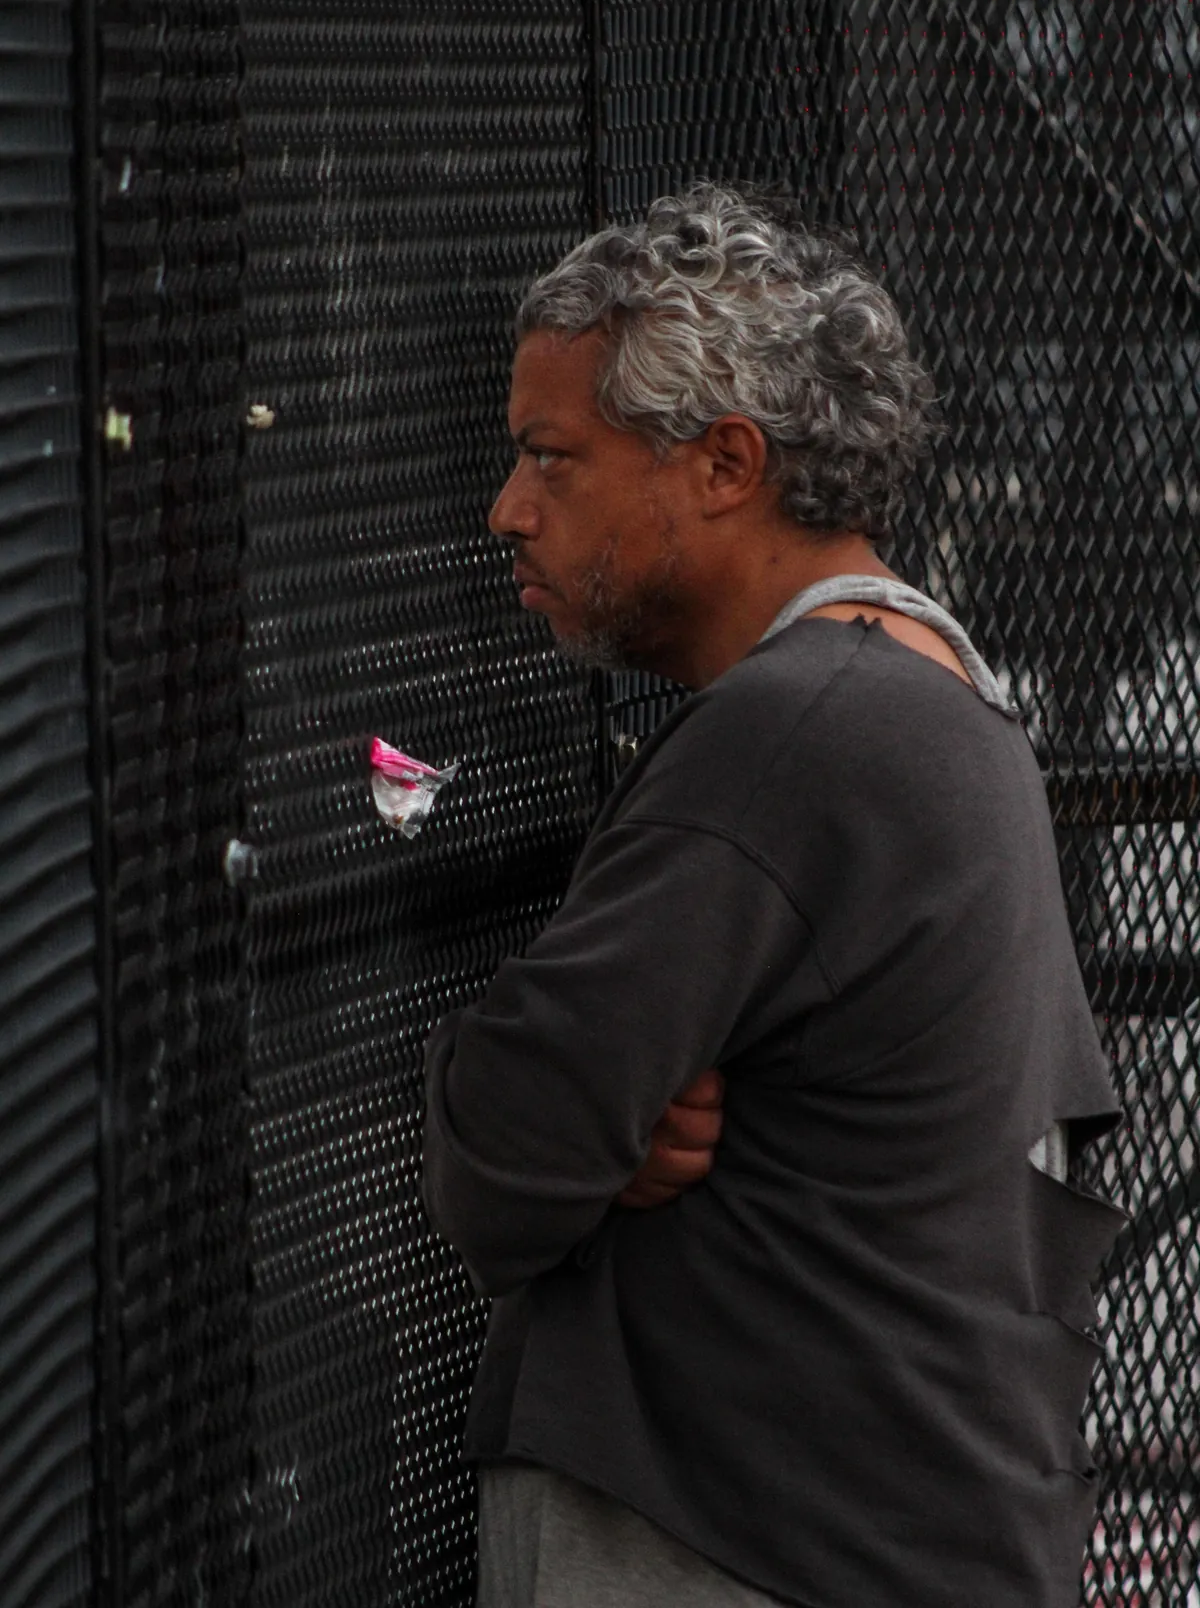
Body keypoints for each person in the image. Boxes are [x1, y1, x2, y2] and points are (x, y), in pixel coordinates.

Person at [422, 184, 1122, 1608]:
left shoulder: (799, 735)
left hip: (744, 1532)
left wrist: (580, 1128)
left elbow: (508, 1147)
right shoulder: (932, 695)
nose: (509, 510)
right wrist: (608, 1119)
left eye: (553, 458)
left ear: (725, 462)